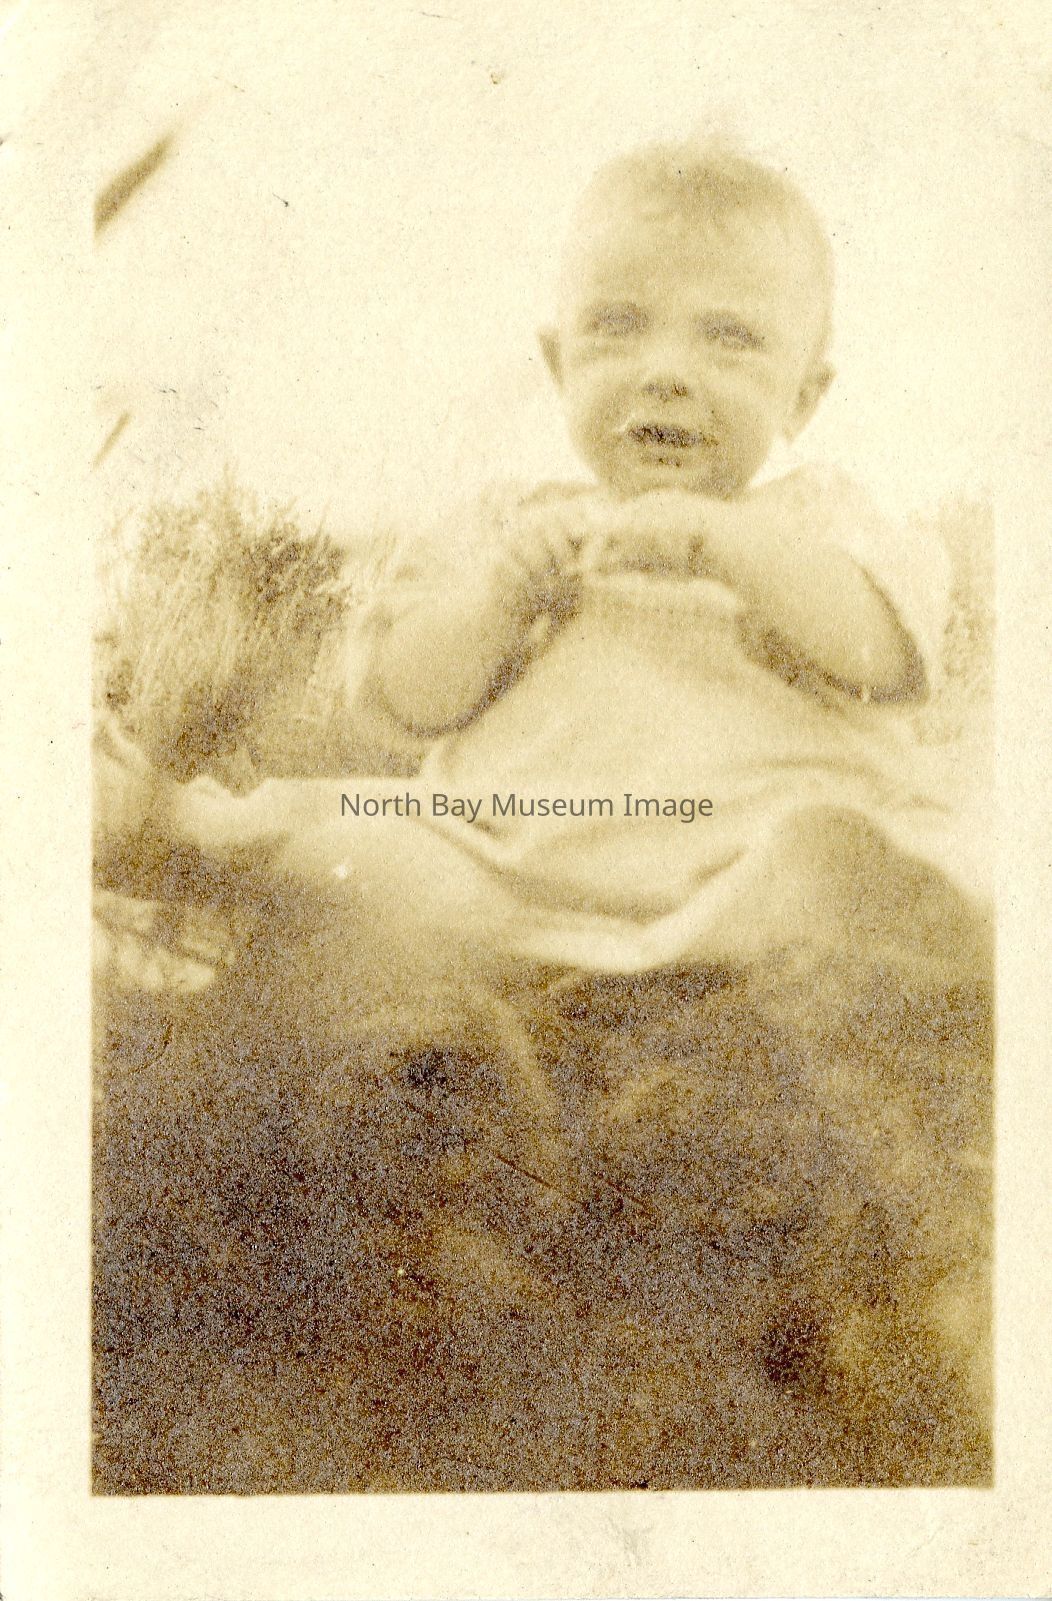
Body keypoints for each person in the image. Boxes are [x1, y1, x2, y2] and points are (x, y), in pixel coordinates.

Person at [132, 138, 987, 1025]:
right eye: (617, 326)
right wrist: (500, 597)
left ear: (802, 397)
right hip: (505, 879)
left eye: (729, 338)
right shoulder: (510, 526)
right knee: (362, 859)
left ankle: (730, 1015)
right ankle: (166, 837)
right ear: (560, 363)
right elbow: (399, 700)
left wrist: (729, 547)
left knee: (844, 873)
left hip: (740, 885)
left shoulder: (820, 520)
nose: (666, 372)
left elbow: (885, 656)